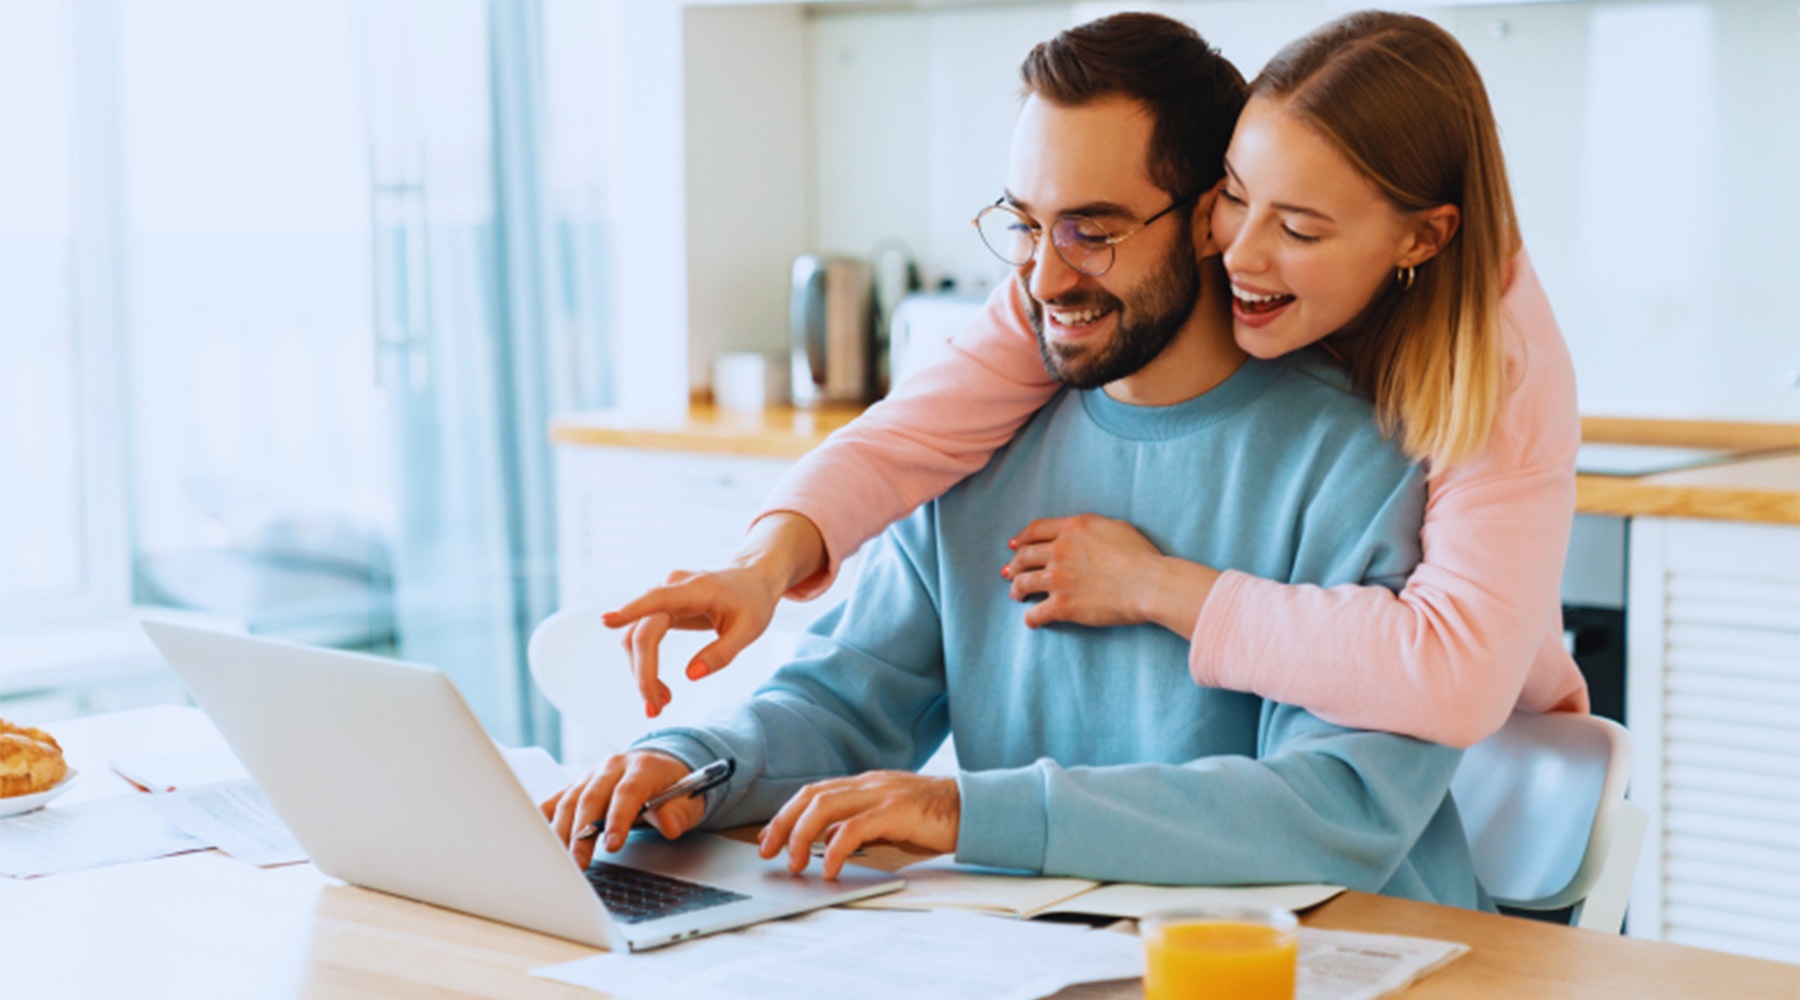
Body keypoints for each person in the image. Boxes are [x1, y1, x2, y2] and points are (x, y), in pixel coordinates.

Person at [545, 13, 1486, 909]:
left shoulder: (1365, 461)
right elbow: (845, 701)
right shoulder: (984, 436)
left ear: (1212, 220)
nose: (1043, 277)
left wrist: (967, 810)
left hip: (1339, 957)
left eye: (1094, 230)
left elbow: (1329, 810)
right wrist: (692, 764)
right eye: (1027, 224)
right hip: (1059, 952)